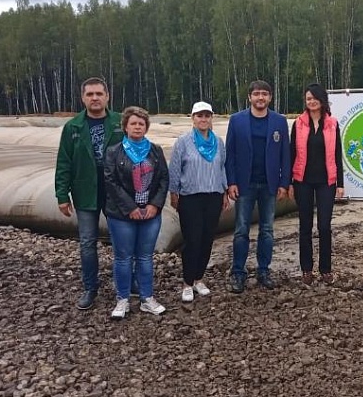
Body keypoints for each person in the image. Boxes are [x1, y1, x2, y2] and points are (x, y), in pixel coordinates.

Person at [55, 77, 123, 310]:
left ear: (107, 96)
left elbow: (134, 153)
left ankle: (124, 283)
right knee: (87, 242)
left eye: (99, 94)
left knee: (120, 240)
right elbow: (64, 162)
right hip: (85, 190)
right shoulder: (73, 127)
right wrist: (62, 195)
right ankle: (90, 287)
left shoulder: (119, 122)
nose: (95, 98)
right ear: (83, 98)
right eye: (90, 94)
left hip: (115, 191)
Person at [225, 80, 291, 293]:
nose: (260, 97)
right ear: (250, 97)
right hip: (244, 184)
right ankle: (238, 272)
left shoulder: (279, 121)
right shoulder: (236, 120)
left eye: (264, 94)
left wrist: (284, 183)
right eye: (256, 94)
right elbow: (230, 154)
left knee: (267, 230)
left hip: (269, 184)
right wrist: (231, 182)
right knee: (241, 230)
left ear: (270, 97)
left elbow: (285, 155)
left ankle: (263, 270)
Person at [103, 106, 169, 318]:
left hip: (150, 214)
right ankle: (122, 299)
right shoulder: (114, 152)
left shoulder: (155, 151)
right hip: (121, 215)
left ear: (146, 127)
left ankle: (146, 298)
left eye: (141, 124)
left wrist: (155, 205)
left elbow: (164, 179)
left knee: (145, 257)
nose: (137, 127)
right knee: (123, 257)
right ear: (125, 127)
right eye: (133, 123)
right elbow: (110, 181)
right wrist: (130, 207)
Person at [169, 101, 229, 302]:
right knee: (192, 240)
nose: (203, 119)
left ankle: (199, 278)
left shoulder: (218, 142)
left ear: (212, 118)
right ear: (193, 118)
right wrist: (174, 192)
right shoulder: (183, 142)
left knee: (207, 239)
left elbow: (222, 167)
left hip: (213, 196)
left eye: (207, 116)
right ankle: (187, 282)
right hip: (190, 197)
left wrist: (224, 191)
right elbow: (175, 168)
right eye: (199, 116)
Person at [288, 83, 344, 285]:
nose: (311, 101)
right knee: (305, 226)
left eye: (314, 98)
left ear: (322, 100)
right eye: (308, 98)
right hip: (302, 181)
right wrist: (289, 182)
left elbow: (338, 154)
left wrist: (340, 183)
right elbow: (291, 153)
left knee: (324, 226)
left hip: (326, 182)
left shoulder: (333, 124)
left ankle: (325, 269)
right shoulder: (298, 124)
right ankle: (306, 269)